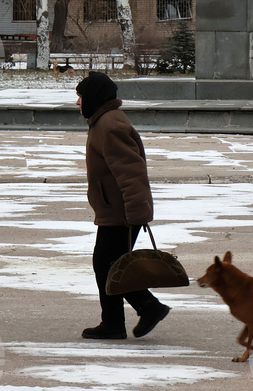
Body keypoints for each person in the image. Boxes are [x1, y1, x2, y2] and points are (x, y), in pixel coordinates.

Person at [76, 71, 171, 339]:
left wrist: (136, 213)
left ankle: (145, 309)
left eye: (80, 97)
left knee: (109, 266)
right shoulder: (103, 121)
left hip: (122, 213)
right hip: (114, 210)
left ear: (93, 97)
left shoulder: (110, 125)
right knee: (108, 265)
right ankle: (117, 321)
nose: (78, 102)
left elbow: (132, 172)